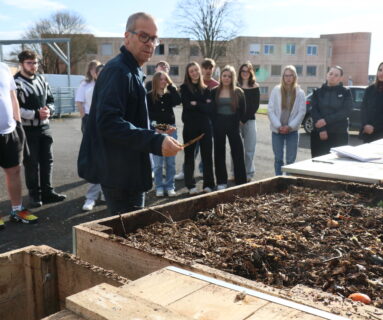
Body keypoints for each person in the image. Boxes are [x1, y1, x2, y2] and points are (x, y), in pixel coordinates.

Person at [78, 12, 182, 215]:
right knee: (126, 236)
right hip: (121, 174)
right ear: (127, 37)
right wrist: (154, 141)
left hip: (129, 169)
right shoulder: (119, 71)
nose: (150, 43)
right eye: (144, 36)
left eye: (154, 39)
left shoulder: (132, 70)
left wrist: (158, 130)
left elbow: (131, 119)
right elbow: (109, 123)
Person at [14, 50, 66, 208]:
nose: (33, 66)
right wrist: (36, 114)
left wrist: (50, 110)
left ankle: (48, 192)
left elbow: (51, 99)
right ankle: (34, 195)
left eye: (35, 62)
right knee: (31, 163)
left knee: (47, 161)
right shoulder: (15, 83)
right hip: (27, 130)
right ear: (21, 64)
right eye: (29, 63)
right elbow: (14, 108)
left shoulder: (42, 79)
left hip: (45, 128)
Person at [0, 62, 38, 228]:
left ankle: (17, 210)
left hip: (10, 130)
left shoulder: (3, 67)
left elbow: (12, 96)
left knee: (14, 171)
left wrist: (17, 121)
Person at [175, 58, 218, 181]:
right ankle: (189, 183)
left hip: (205, 126)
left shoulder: (206, 89)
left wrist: (196, 104)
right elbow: (187, 105)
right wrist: (202, 104)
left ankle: (208, 183)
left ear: (199, 71)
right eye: (191, 71)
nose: (194, 73)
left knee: (207, 156)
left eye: (195, 70)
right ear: (188, 74)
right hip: (190, 127)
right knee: (190, 155)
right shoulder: (184, 88)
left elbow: (209, 109)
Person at [76, 60, 105, 211]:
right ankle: (91, 197)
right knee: (95, 159)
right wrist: (85, 119)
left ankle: (106, 193)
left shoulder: (112, 87)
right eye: (97, 72)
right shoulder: (87, 86)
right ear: (94, 73)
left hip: (108, 126)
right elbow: (80, 103)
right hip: (91, 124)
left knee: (109, 160)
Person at [212, 65, 247, 190]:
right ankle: (221, 181)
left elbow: (243, 110)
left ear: (233, 78)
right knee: (219, 152)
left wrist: (240, 122)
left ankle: (241, 180)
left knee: (237, 151)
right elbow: (211, 110)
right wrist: (214, 123)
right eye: (224, 76)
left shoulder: (238, 92)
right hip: (218, 124)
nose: (226, 78)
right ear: (221, 77)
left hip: (233, 124)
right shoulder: (214, 91)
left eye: (229, 76)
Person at [147, 71, 181, 197]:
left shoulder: (169, 95)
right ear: (155, 81)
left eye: (165, 79)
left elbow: (178, 100)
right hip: (157, 132)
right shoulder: (149, 96)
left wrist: (171, 84)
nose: (163, 81)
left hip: (171, 131)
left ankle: (170, 186)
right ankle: (159, 186)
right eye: (161, 79)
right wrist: (157, 128)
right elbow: (149, 116)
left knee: (170, 162)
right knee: (158, 164)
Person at [267, 65, 306, 175]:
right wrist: (278, 126)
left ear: (294, 77)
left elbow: (301, 112)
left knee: (290, 160)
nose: (288, 78)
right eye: (286, 75)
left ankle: (288, 182)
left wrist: (290, 126)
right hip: (277, 130)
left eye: (291, 75)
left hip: (292, 131)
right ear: (283, 77)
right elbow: (270, 110)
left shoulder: (300, 93)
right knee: (278, 159)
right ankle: (278, 181)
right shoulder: (276, 90)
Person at [310, 66, 353, 157]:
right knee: (317, 165)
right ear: (327, 75)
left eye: (336, 75)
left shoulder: (346, 92)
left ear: (341, 78)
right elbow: (314, 110)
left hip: (339, 135)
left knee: (337, 166)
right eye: (331, 74)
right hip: (319, 134)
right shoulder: (317, 92)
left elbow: (346, 111)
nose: (332, 76)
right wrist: (321, 129)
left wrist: (326, 120)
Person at [237, 62, 260, 181]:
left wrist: (243, 120)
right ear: (240, 73)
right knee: (236, 149)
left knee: (249, 149)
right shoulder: (235, 86)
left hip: (250, 121)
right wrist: (239, 120)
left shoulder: (255, 86)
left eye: (247, 71)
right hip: (236, 122)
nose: (245, 73)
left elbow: (254, 106)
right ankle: (236, 172)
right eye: (243, 71)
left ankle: (249, 173)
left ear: (251, 72)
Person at [360, 62, 383, 143]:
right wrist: (365, 125)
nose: (381, 73)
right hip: (367, 133)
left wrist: (375, 128)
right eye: (380, 70)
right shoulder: (369, 90)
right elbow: (363, 109)